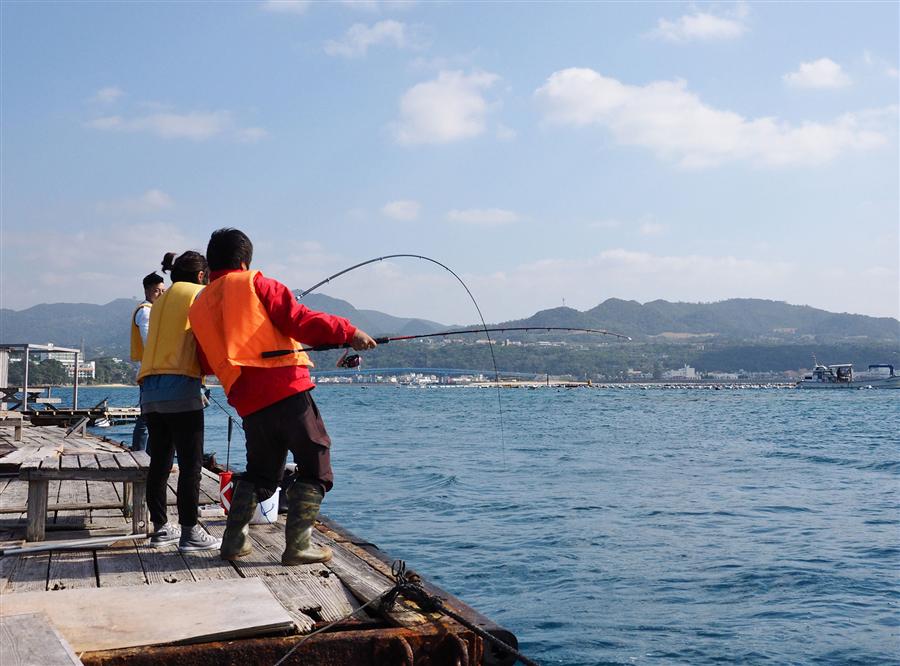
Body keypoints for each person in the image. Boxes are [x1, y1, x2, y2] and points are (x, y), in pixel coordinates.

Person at [189, 228, 376, 565]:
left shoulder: (199, 305)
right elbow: (298, 320)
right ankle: (298, 546)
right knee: (317, 462)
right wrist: (348, 331)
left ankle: (233, 541)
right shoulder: (256, 283)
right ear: (244, 261)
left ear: (211, 263)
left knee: (262, 475)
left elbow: (205, 360)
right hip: (286, 388)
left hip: (247, 401)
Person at [138, 251, 221, 552]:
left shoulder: (158, 302)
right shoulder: (199, 294)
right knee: (190, 465)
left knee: (159, 463)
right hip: (181, 388)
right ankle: (190, 531)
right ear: (201, 276)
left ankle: (161, 528)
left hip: (150, 391)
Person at [130, 272, 165, 452]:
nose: (160, 294)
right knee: (147, 415)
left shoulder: (151, 310)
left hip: (150, 367)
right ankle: (140, 452)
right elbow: (149, 340)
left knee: (152, 414)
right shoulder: (146, 311)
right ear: (147, 290)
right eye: (157, 291)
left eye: (163, 290)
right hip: (149, 369)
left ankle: (148, 453)